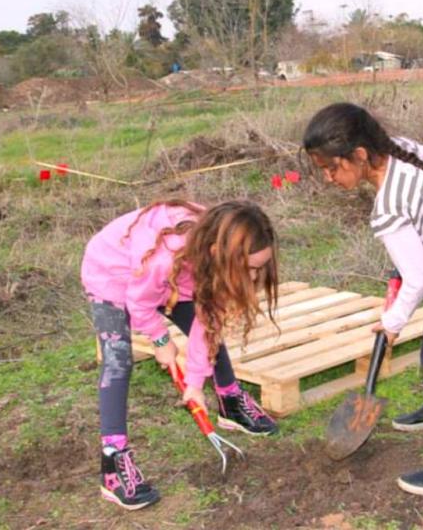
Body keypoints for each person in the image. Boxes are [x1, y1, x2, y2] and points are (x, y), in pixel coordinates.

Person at [303, 103, 423, 496]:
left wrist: (392, 323)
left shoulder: (388, 207)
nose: (328, 178)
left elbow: (418, 277)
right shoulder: (395, 149)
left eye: (332, 168)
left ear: (359, 156)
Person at [82, 200, 279, 510]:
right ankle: (113, 461)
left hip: (176, 277)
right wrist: (161, 340)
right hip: (115, 274)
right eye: (252, 269)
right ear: (221, 254)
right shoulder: (163, 258)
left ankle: (230, 404)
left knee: (211, 329)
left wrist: (195, 385)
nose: (255, 278)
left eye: (261, 268)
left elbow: (206, 325)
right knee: (118, 361)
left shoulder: (215, 239)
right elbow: (140, 302)